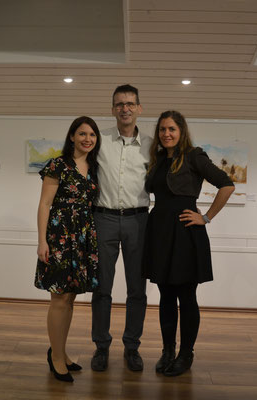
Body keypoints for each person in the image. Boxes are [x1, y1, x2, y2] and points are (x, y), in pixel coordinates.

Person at [143, 110, 235, 377]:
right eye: (162, 129)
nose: (166, 134)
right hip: (159, 230)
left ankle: (186, 354)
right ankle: (167, 351)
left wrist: (205, 217)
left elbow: (226, 185)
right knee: (166, 296)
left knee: (187, 296)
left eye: (171, 129)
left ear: (181, 131)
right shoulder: (158, 159)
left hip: (185, 232)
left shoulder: (194, 155)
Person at [91, 84, 152, 372]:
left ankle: (131, 347)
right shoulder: (99, 141)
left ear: (139, 108)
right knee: (102, 288)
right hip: (102, 219)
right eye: (119, 104)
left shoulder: (153, 146)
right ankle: (101, 346)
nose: (125, 108)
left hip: (139, 221)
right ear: (112, 108)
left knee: (137, 289)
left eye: (130, 103)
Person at [35, 116, 101, 382]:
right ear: (72, 136)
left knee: (71, 298)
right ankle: (56, 357)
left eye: (92, 135)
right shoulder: (58, 165)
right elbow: (44, 205)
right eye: (82, 134)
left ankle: (60, 351)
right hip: (60, 237)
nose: (87, 139)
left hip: (83, 237)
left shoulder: (94, 167)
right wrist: (42, 241)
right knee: (59, 298)